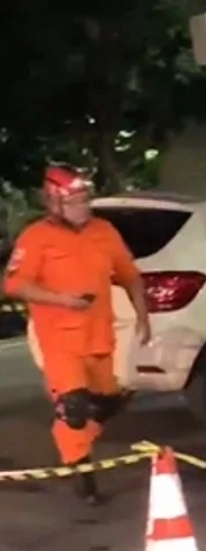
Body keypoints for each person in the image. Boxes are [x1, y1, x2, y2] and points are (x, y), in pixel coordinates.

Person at [2, 166, 151, 504]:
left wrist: (143, 316)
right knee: (74, 406)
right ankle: (83, 475)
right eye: (74, 201)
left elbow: (130, 275)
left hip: (99, 336)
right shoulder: (36, 237)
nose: (83, 207)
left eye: (85, 200)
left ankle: (73, 429)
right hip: (59, 340)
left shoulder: (104, 231)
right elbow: (13, 284)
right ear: (54, 201)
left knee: (111, 401)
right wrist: (61, 300)